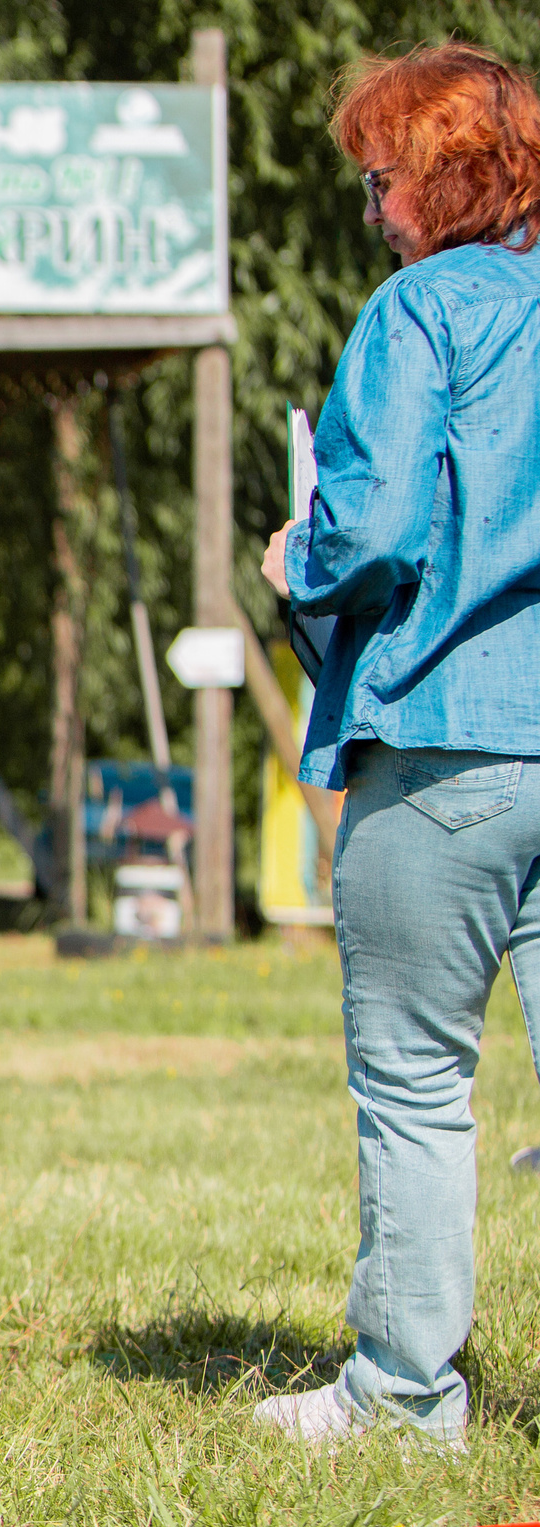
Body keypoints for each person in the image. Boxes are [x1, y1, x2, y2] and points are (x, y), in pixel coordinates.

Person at [255, 42, 540, 1449]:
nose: (373, 213)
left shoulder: (420, 309)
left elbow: (366, 528)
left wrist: (292, 552)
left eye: (381, 183)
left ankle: (406, 1393)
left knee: (421, 1085)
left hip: (442, 739)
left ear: (441, 181)